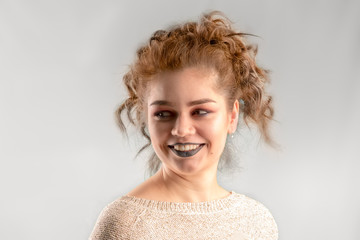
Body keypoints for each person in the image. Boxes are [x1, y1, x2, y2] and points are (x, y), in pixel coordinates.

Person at [89, 11, 278, 240]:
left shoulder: (256, 223)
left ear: (232, 116)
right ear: (146, 118)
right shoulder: (126, 226)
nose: (181, 129)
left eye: (200, 112)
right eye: (164, 113)